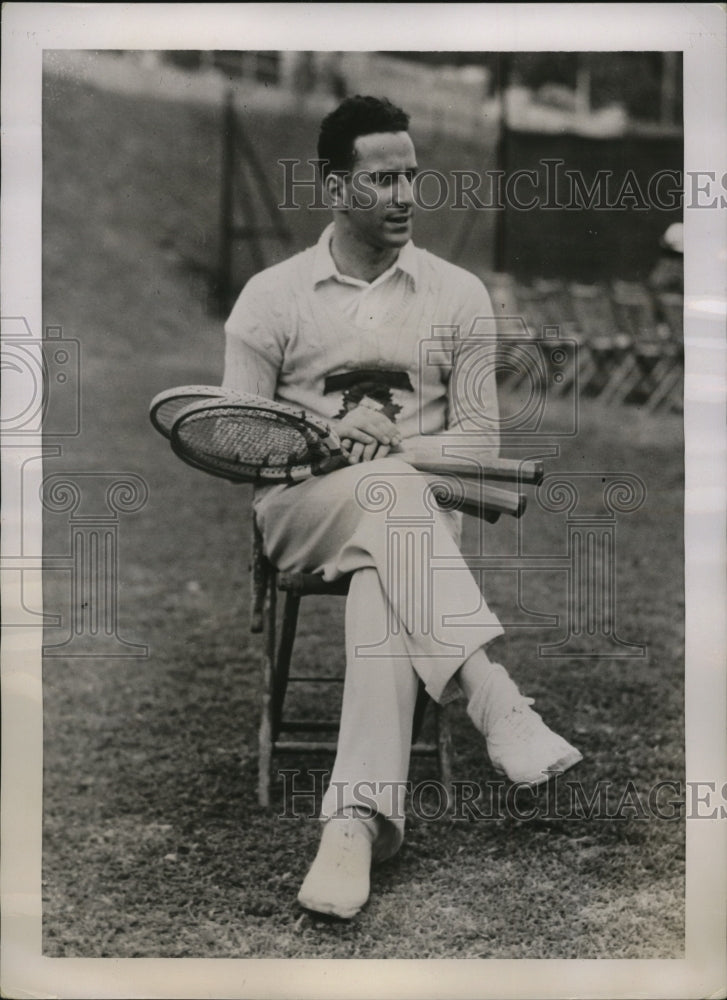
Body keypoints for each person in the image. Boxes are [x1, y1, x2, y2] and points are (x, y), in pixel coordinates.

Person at [222, 95, 582, 920]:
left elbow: (482, 445)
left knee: (388, 552)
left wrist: (389, 452)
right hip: (300, 514)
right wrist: (323, 435)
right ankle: (492, 695)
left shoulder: (456, 295)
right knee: (390, 504)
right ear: (334, 186)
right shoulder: (271, 297)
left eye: (411, 177)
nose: (404, 196)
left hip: (409, 526)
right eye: (382, 179)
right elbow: (239, 443)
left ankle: (355, 824)